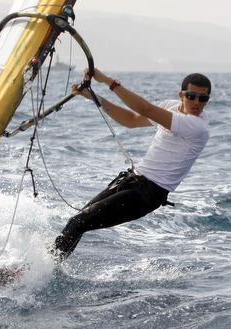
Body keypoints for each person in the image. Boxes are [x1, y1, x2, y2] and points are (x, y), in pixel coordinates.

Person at [51, 68, 211, 261]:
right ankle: (45, 265)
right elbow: (131, 120)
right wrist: (95, 98)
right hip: (132, 180)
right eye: (192, 96)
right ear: (181, 95)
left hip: (148, 194)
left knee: (79, 222)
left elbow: (145, 109)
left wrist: (109, 82)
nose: (197, 103)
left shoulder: (197, 127)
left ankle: (36, 272)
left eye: (203, 99)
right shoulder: (171, 106)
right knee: (77, 221)